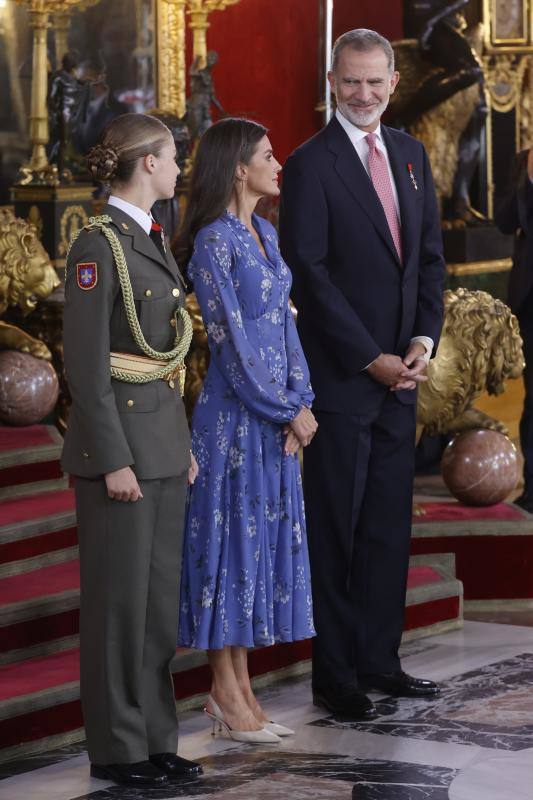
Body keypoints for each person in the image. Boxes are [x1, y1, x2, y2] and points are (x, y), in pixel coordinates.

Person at [279, 29, 445, 720]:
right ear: (331, 81)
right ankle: (337, 676)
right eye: (351, 80)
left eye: (376, 81)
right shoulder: (308, 164)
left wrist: (421, 341)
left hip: (402, 377)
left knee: (386, 528)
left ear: (393, 81)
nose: (364, 93)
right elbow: (309, 276)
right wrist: (367, 358)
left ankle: (381, 661)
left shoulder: (410, 154)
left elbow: (428, 259)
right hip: (344, 381)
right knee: (337, 531)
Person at [62, 112, 202, 788]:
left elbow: (164, 359)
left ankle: (154, 738)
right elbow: (87, 368)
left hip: (161, 445)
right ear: (148, 162)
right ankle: (118, 749)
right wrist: (113, 457)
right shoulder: (97, 246)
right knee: (118, 608)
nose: (178, 169)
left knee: (154, 609)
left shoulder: (149, 236)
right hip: (120, 451)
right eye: (172, 157)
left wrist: (180, 445)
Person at [176, 117, 317, 743]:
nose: (277, 164)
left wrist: (303, 400)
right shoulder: (214, 242)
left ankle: (243, 694)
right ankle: (225, 694)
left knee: (256, 551)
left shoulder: (266, 231)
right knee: (229, 549)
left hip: (275, 417)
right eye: (267, 154)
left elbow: (286, 325)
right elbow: (230, 344)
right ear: (238, 168)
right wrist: (286, 409)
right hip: (233, 421)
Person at [495, 148, 533, 512]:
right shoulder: (521, 161)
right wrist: (529, 180)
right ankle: (532, 489)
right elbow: (505, 222)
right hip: (529, 295)